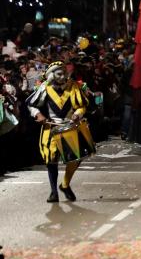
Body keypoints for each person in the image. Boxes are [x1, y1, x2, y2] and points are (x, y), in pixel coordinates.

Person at [25, 61, 92, 202]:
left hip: (70, 127)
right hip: (51, 128)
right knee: (51, 160)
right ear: (51, 75)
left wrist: (77, 114)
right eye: (59, 74)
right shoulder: (44, 88)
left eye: (64, 73)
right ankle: (53, 192)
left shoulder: (73, 86)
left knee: (76, 158)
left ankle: (65, 184)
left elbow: (82, 106)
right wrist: (38, 115)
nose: (63, 76)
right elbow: (31, 105)